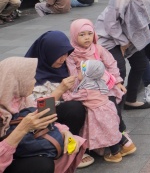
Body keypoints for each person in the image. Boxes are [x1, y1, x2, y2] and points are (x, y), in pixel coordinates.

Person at [0, 57, 86, 173]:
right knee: (42, 165)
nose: (35, 81)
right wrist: (22, 129)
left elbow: (40, 115)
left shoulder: (20, 99)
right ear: (15, 82)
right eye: (31, 78)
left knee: (73, 108)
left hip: (21, 148)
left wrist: (65, 132)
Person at [65, 19, 134, 161]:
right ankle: (113, 143)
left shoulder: (97, 48)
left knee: (112, 109)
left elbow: (111, 63)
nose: (87, 38)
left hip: (105, 85)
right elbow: (72, 76)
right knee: (98, 113)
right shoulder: (71, 54)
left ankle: (117, 140)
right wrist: (81, 75)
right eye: (82, 34)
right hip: (87, 88)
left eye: (90, 34)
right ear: (74, 36)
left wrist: (118, 81)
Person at [25, 31, 94, 169]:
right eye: (58, 55)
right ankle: (68, 149)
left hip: (62, 114)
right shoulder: (29, 75)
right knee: (74, 108)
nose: (63, 59)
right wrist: (59, 91)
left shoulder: (66, 65)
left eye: (66, 53)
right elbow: (36, 111)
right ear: (47, 53)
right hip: (42, 120)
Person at [66, 60, 130, 162]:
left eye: (80, 71)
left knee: (107, 133)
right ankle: (128, 145)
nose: (78, 73)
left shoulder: (86, 88)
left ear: (87, 74)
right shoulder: (100, 81)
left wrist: (64, 91)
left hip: (98, 114)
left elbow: (72, 97)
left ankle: (115, 154)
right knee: (112, 130)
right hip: (109, 109)